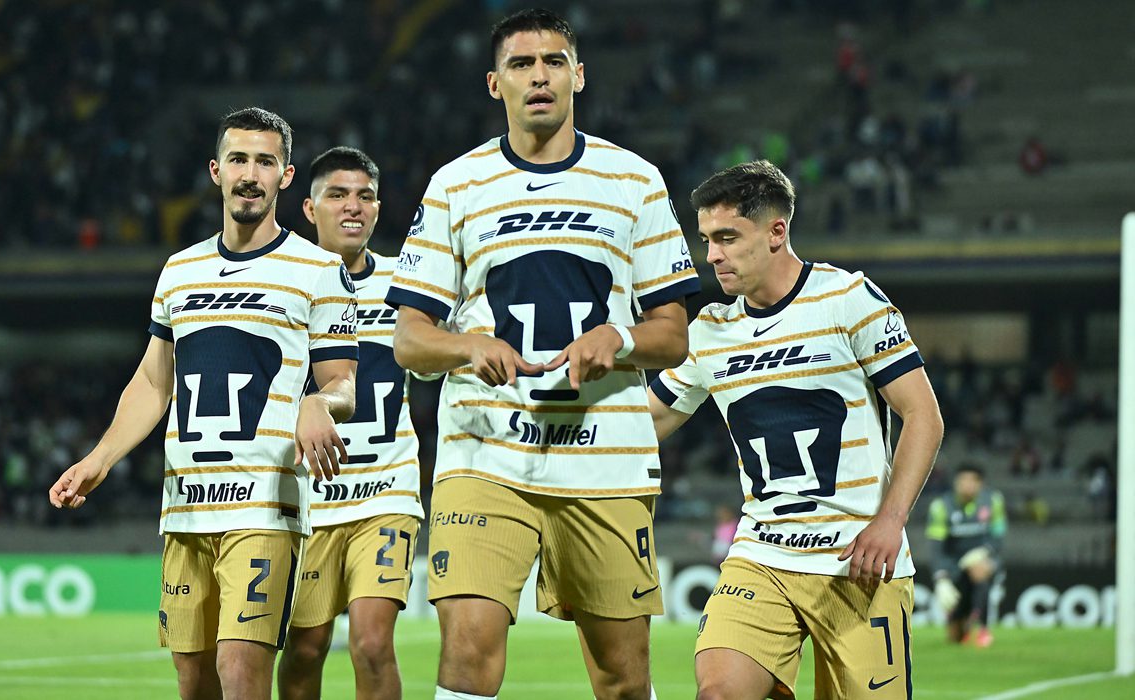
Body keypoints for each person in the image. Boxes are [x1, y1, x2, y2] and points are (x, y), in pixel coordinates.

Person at [385, 9, 700, 700]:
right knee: (467, 652)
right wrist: (466, 345)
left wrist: (618, 338)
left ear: (578, 75)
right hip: (485, 454)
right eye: (522, 65)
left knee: (622, 676)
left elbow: (673, 332)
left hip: (605, 459)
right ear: (494, 84)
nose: (539, 76)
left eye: (553, 61)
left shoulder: (635, 180)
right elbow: (410, 338)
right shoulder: (455, 185)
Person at [48, 107, 359, 700]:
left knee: (241, 673)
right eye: (238, 159)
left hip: (265, 508)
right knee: (194, 683)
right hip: (185, 508)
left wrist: (322, 402)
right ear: (216, 171)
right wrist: (100, 458)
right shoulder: (180, 270)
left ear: (285, 177)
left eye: (264, 162)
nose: (250, 174)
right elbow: (151, 382)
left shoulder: (319, 270)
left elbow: (342, 380)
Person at [647, 160, 944, 699]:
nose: (712, 254)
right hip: (762, 556)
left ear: (776, 232)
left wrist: (891, 520)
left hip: (858, 560)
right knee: (719, 693)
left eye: (728, 237)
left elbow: (923, 415)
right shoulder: (710, 331)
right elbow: (653, 420)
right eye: (708, 239)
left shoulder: (848, 299)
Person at [277, 147, 425, 700]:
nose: (352, 207)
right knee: (306, 648)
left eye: (364, 196)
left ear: (378, 209)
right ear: (310, 209)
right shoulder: (282, 285)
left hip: (387, 492)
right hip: (310, 500)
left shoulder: (407, 286)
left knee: (370, 642)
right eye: (337, 195)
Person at [926, 463, 1006, 647]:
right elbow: (936, 547)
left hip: (983, 559)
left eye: (972, 481)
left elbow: (999, 538)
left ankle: (983, 629)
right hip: (954, 565)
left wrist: (984, 552)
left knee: (979, 570)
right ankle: (962, 621)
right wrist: (940, 578)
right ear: (955, 482)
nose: (967, 485)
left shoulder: (993, 501)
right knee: (956, 637)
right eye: (963, 480)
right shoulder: (941, 507)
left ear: (980, 484)